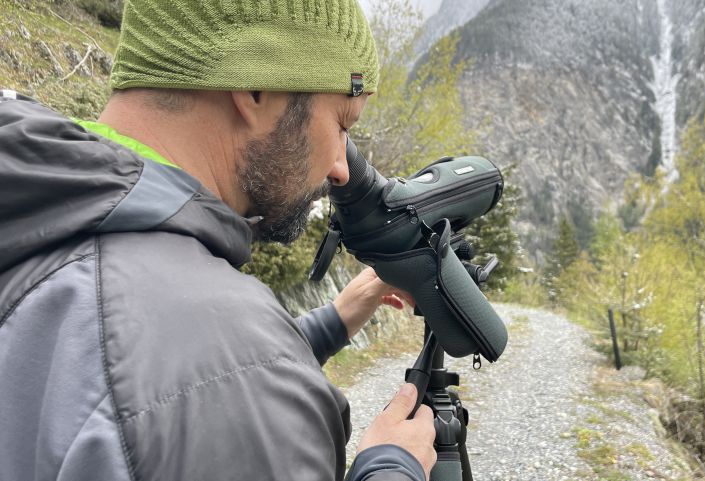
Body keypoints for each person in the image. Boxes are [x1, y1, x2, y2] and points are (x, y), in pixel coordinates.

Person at [0, 0, 437, 480]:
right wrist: (393, 466)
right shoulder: (225, 371)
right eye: (341, 126)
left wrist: (327, 325)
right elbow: (211, 380)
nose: (340, 167)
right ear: (254, 89)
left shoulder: (39, 218)